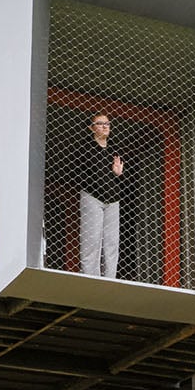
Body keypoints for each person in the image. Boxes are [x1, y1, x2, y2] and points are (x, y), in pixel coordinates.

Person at [79, 112, 125, 278]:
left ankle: (109, 280)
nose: (105, 126)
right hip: (92, 197)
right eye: (100, 123)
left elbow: (121, 178)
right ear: (91, 128)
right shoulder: (85, 148)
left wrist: (119, 174)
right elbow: (79, 172)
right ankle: (91, 279)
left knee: (112, 243)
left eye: (107, 123)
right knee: (92, 241)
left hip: (113, 200)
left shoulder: (115, 150)